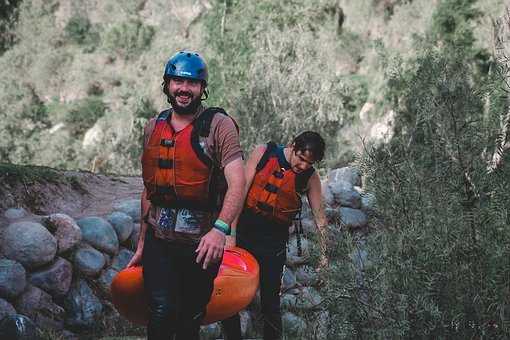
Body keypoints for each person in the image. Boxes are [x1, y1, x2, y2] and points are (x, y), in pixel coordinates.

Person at [126, 50, 245, 340]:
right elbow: (149, 190)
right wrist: (142, 243)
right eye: (178, 81)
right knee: (161, 311)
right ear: (167, 85)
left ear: (202, 89)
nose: (184, 88)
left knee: (190, 315)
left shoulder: (219, 126)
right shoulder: (153, 126)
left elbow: (238, 182)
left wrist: (220, 230)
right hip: (159, 240)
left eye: (192, 83)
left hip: (202, 244)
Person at [221, 131, 328, 340]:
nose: (304, 166)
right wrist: (230, 233)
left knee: (270, 303)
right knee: (230, 295)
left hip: (274, 243)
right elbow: (239, 194)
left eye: (310, 162)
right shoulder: (263, 153)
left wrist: (325, 255)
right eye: (301, 158)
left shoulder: (310, 177)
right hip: (244, 234)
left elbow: (320, 218)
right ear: (293, 145)